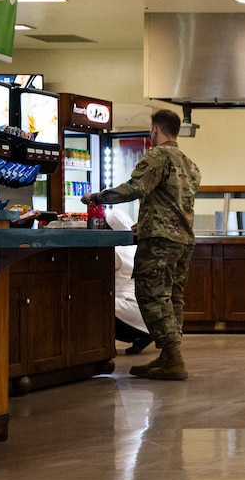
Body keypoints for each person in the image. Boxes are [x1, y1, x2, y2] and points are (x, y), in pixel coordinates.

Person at [84, 108, 200, 380]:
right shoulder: (189, 164)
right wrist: (146, 221)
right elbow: (173, 202)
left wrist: (97, 197)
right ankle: (168, 356)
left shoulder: (157, 156)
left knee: (151, 296)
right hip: (183, 239)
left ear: (156, 130)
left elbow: (135, 188)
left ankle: (173, 359)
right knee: (173, 298)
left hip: (160, 242)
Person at [106, 210, 152, 355]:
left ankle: (102, 348)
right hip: (147, 312)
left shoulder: (116, 251)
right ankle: (143, 335)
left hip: (129, 307)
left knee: (93, 305)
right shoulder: (136, 247)